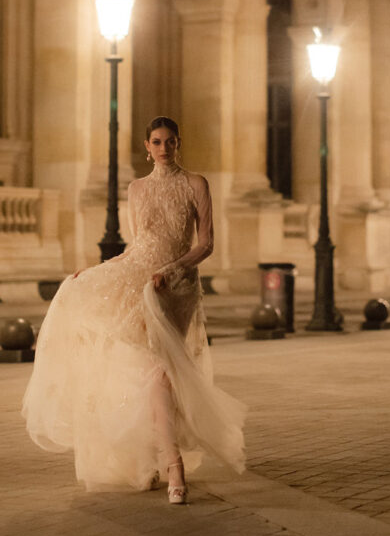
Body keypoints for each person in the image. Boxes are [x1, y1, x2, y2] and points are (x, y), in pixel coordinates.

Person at [22, 116, 246, 504]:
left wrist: (171, 270)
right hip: (136, 278)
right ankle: (162, 463)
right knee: (151, 374)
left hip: (175, 285)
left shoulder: (196, 184)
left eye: (170, 141)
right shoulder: (137, 188)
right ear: (147, 146)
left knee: (163, 372)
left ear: (179, 144)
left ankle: (169, 463)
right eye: (157, 142)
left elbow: (205, 244)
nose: (164, 148)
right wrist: (97, 270)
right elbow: (136, 246)